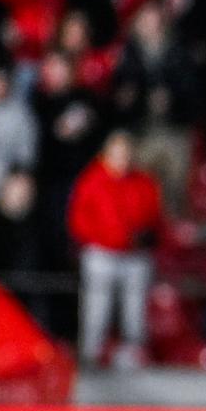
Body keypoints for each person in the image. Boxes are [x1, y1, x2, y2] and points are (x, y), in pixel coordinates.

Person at [67, 131, 163, 367]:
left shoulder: (143, 182)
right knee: (97, 310)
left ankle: (133, 360)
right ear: (106, 155)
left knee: (135, 313)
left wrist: (145, 237)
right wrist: (108, 239)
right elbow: (78, 221)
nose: (122, 159)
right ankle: (90, 357)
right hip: (102, 254)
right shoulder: (91, 180)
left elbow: (155, 218)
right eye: (117, 154)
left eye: (126, 154)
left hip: (135, 257)